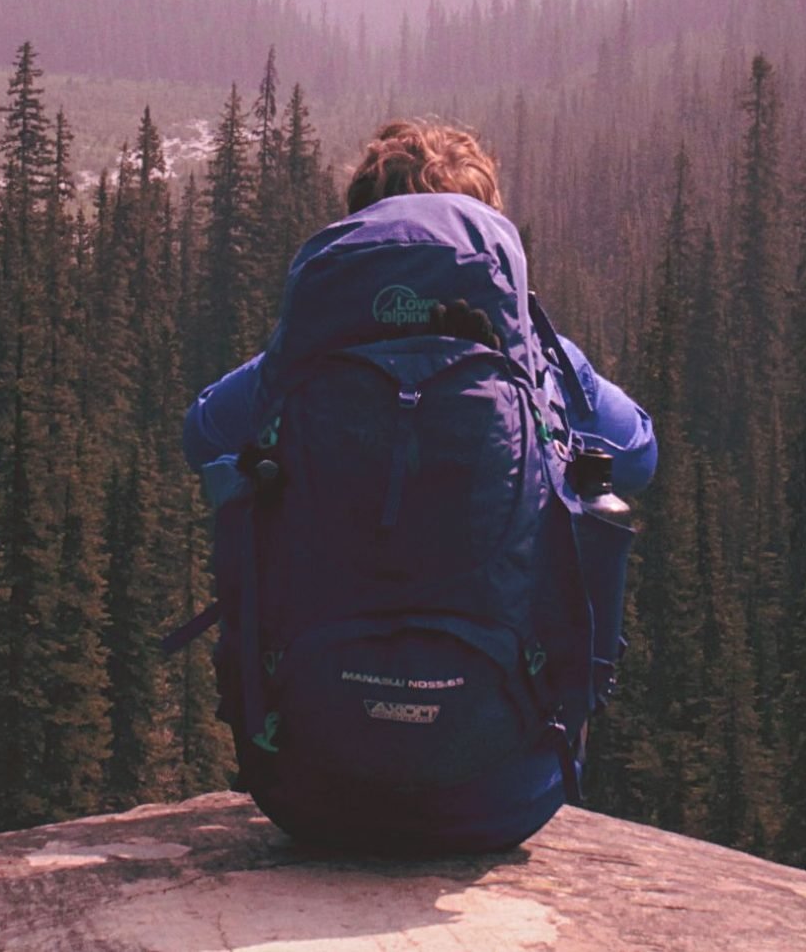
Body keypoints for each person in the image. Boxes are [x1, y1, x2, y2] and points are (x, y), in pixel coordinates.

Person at [183, 119, 656, 852]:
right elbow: (639, 453)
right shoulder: (537, 358)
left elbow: (203, 432)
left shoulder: (308, 355)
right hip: (502, 792)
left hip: (308, 787)